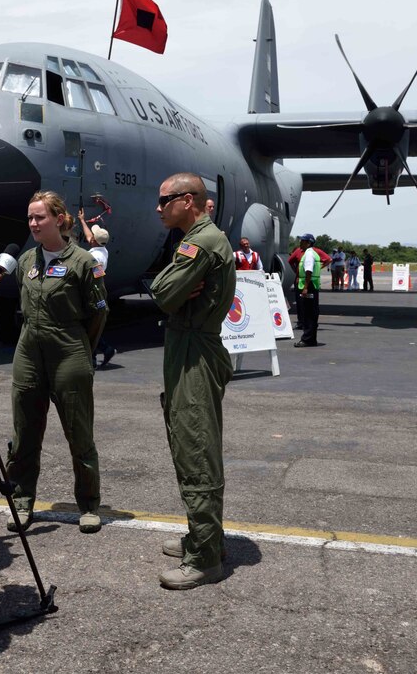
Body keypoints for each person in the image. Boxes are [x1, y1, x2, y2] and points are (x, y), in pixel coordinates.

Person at [150, 172, 235, 590]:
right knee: (189, 440)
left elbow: (162, 293)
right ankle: (205, 536)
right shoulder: (198, 239)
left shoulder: (200, 241)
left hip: (195, 351)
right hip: (189, 346)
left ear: (188, 200)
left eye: (165, 200)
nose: (159, 207)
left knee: (195, 445)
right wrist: (174, 284)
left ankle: (205, 556)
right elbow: (168, 288)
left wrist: (173, 284)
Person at [6, 191, 108, 535]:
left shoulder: (84, 262)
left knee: (79, 434)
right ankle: (21, 500)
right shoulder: (25, 262)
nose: (33, 223)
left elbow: (98, 314)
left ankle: (90, 504)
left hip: (69, 352)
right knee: (24, 433)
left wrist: (81, 350)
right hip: (29, 353)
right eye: (31, 218)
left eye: (41, 217)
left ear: (60, 220)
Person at [78, 207, 117, 369]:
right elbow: (89, 236)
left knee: (87, 327)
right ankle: (103, 350)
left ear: (94, 241)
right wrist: (82, 220)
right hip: (91, 293)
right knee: (87, 327)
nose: (90, 237)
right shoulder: (101, 248)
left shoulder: (96, 257)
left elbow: (95, 275)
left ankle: (95, 357)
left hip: (90, 294)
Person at [294, 234, 328, 348]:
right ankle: (311, 339)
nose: (300, 243)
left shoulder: (308, 254)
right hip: (313, 286)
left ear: (308, 243)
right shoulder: (313, 253)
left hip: (309, 286)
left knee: (308, 313)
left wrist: (305, 287)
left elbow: (308, 271)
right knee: (312, 313)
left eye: (302, 241)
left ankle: (307, 339)